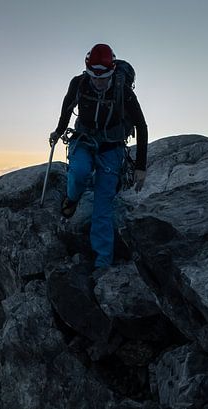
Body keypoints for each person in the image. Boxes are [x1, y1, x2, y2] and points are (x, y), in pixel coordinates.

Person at [49, 43, 148, 278]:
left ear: (112, 71)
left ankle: (103, 263)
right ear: (88, 71)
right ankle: (72, 198)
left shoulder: (123, 90)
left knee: (103, 205)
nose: (99, 82)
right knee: (80, 173)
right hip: (84, 140)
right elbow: (66, 111)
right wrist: (58, 131)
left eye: (103, 78)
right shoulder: (79, 84)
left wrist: (141, 167)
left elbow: (141, 126)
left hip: (112, 148)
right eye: (94, 77)